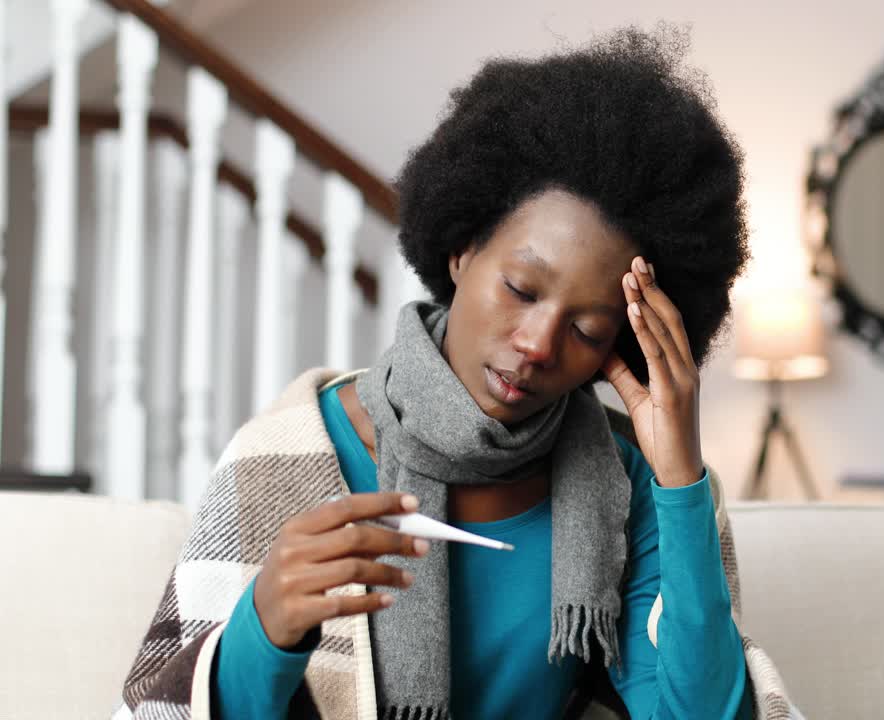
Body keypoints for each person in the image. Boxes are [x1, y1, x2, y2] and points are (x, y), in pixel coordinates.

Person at [117, 25, 797, 720]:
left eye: (588, 329)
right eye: (522, 290)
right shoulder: (284, 459)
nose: (537, 343)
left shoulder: (632, 483)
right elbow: (156, 713)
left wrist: (679, 480)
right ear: (462, 251)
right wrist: (261, 629)